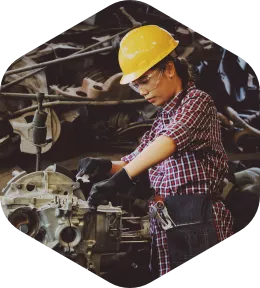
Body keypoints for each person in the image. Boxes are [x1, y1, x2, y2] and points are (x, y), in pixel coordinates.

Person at [77, 25, 234, 279]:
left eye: (145, 80)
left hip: (196, 217)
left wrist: (120, 179)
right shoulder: (162, 119)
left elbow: (170, 141)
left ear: (169, 69)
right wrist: (105, 165)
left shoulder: (198, 102)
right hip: (168, 218)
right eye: (137, 85)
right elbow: (135, 160)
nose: (142, 91)